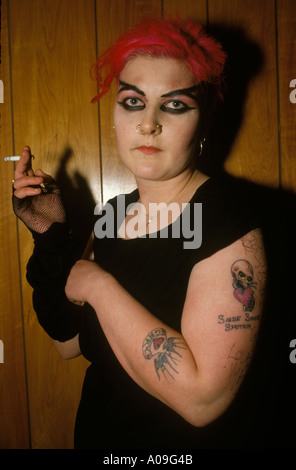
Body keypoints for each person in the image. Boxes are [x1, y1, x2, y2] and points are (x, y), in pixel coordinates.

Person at [12, 18, 267, 449]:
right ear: (115, 115)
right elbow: (69, 343)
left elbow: (203, 401)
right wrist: (50, 235)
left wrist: (97, 284)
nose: (148, 123)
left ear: (202, 122)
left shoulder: (229, 220)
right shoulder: (113, 215)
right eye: (133, 101)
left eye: (174, 105)